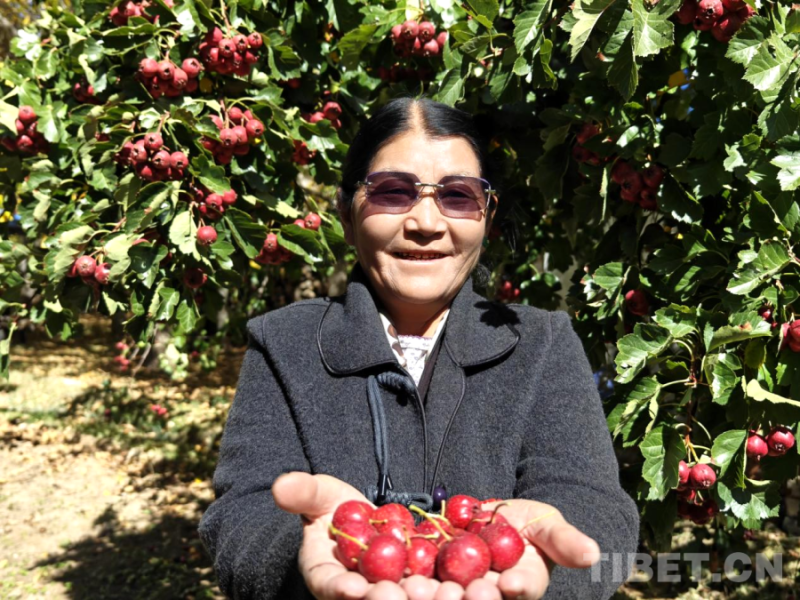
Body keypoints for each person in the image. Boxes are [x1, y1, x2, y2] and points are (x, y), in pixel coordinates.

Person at [198, 96, 640, 600]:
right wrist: (305, 560)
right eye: (392, 192)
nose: (426, 222)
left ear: (487, 217)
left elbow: (600, 513)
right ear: (346, 213)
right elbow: (241, 519)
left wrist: (537, 567)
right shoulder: (284, 343)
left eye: (458, 196)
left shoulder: (542, 345)